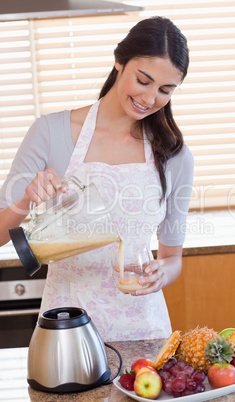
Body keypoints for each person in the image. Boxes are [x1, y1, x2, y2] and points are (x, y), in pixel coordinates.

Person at [0, 16, 194, 341]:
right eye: (143, 81)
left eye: (165, 90)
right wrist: (25, 200)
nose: (149, 99)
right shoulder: (51, 133)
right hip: (66, 334)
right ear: (119, 61)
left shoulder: (174, 155)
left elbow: (172, 257)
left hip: (144, 333)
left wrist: (162, 273)